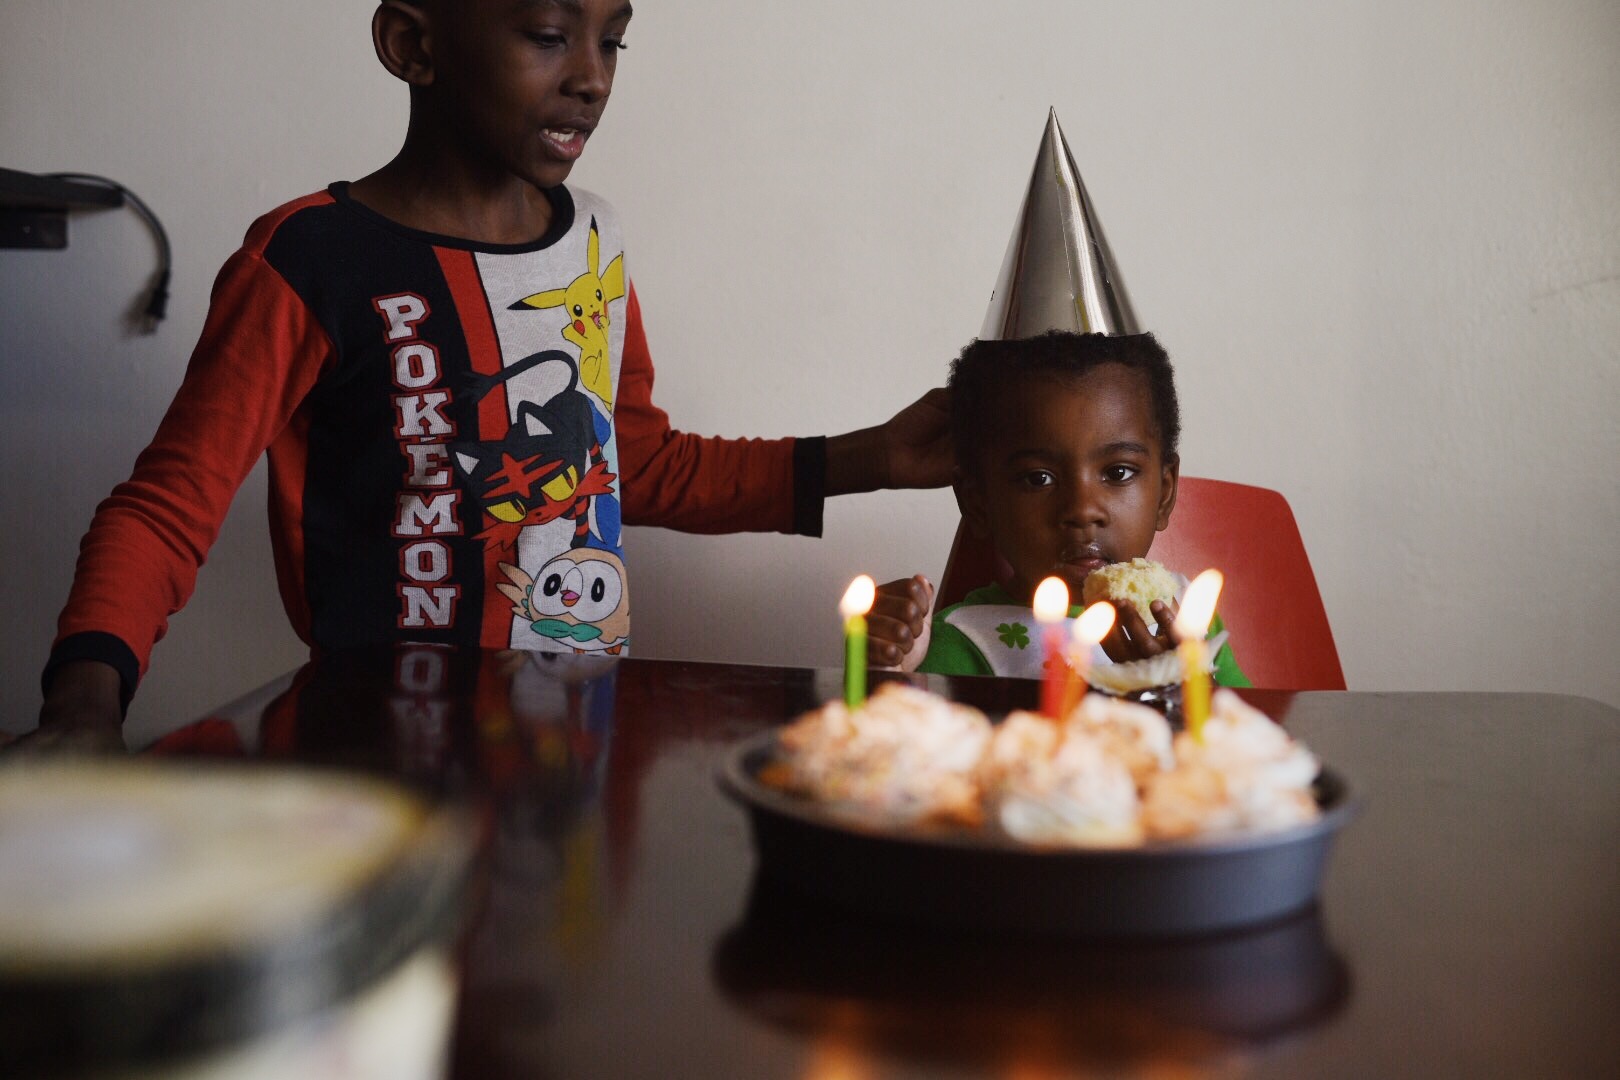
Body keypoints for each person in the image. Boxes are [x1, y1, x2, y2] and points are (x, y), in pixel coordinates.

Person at [26, 0, 951, 752]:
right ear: (413, 44)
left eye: (613, 39)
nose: (591, 76)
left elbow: (634, 463)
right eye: (549, 35)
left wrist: (866, 457)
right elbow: (167, 506)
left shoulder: (595, 240)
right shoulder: (307, 261)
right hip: (374, 758)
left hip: (570, 759)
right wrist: (82, 708)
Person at [866, 330, 1247, 683]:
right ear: (977, 502)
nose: (1082, 510)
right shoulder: (967, 639)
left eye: (1117, 472)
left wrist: (1187, 689)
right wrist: (889, 679)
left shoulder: (1188, 617)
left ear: (1164, 492)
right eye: (1039, 479)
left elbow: (1252, 741)